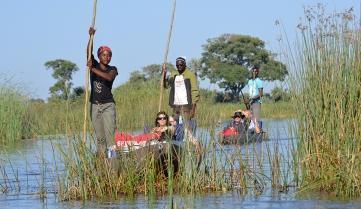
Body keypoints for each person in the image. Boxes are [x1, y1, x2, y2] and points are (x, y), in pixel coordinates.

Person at [86, 27, 118, 157]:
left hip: (108, 105)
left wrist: (92, 69)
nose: (107, 57)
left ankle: (113, 161)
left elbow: (109, 78)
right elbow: (88, 51)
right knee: (100, 138)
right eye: (104, 55)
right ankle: (101, 162)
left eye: (109, 55)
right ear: (99, 56)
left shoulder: (113, 69)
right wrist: (90, 37)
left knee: (110, 136)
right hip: (95, 105)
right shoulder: (94, 64)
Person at [162, 56, 200, 132]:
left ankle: (188, 139)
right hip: (176, 105)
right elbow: (166, 85)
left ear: (185, 64)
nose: (179, 66)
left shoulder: (190, 74)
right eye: (177, 65)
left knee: (187, 124)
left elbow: (195, 90)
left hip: (186, 104)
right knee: (174, 124)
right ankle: (175, 139)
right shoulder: (174, 74)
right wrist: (164, 75)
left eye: (181, 65)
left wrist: (193, 105)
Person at [247, 66, 263, 132]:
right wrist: (248, 99)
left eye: (256, 71)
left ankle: (258, 132)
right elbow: (251, 91)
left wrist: (253, 98)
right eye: (253, 71)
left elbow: (261, 94)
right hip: (250, 102)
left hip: (256, 102)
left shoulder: (259, 81)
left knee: (256, 119)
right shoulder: (249, 81)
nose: (254, 72)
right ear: (251, 72)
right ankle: (251, 132)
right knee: (250, 119)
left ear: (258, 72)